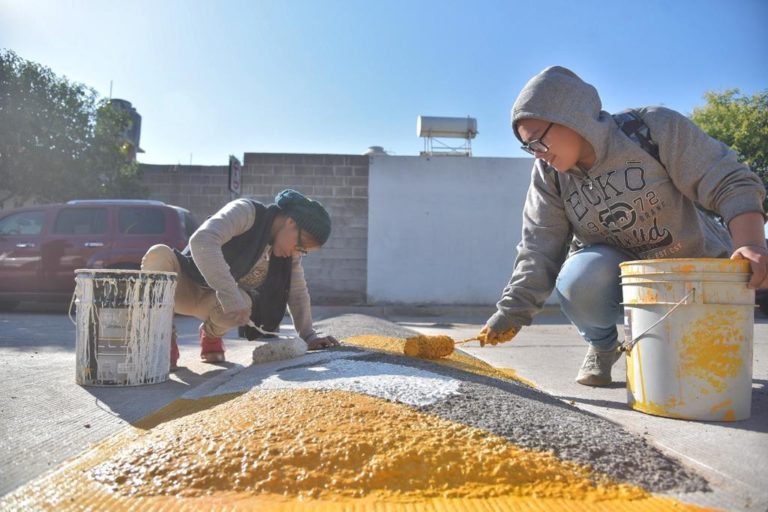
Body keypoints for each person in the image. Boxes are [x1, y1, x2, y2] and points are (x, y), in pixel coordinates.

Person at [481, 66, 768, 386]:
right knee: (580, 277)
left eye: (537, 141)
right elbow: (539, 245)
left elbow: (727, 179)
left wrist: (751, 243)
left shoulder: (651, 129)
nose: (537, 155)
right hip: (617, 274)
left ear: (570, 116)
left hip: (693, 268)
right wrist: (511, 312)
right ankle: (603, 346)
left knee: (700, 376)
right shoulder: (550, 176)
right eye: (528, 147)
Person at [141, 189, 340, 369]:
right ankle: (163, 338)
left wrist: (309, 336)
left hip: (212, 302)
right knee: (158, 254)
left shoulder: (288, 255)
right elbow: (202, 240)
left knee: (245, 303)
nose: (298, 253)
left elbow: (297, 292)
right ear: (291, 223)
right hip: (182, 288)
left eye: (303, 252)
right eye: (300, 247)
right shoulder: (245, 212)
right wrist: (230, 296)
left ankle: (211, 334)